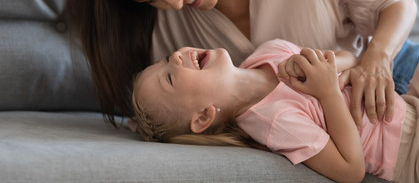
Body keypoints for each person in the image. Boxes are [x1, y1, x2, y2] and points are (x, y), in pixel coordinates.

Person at [66, 0, 418, 127]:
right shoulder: (166, 30)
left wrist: (378, 59)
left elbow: (396, 2)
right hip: (357, 126)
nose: (173, 2)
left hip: (393, 69)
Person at [130, 39, 419, 183]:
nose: (177, 56)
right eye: (169, 77)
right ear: (204, 116)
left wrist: (319, 65)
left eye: (167, 58)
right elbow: (350, 169)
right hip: (408, 149)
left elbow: (350, 57)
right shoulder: (272, 122)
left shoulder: (270, 51)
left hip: (407, 103)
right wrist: (328, 91)